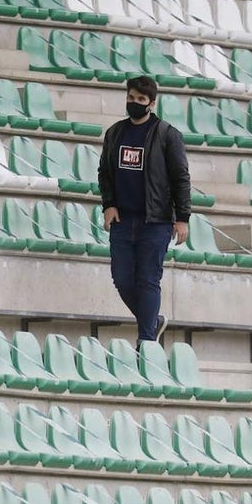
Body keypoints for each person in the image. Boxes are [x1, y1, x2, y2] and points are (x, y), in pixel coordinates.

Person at [97, 75, 191, 345]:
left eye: (140, 99)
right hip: (123, 220)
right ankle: (152, 321)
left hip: (156, 221)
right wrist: (109, 204)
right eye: (131, 98)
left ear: (151, 103)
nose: (134, 103)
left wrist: (182, 218)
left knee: (148, 280)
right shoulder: (115, 133)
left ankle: (146, 341)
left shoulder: (167, 135)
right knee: (122, 279)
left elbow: (180, 178)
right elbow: (105, 172)